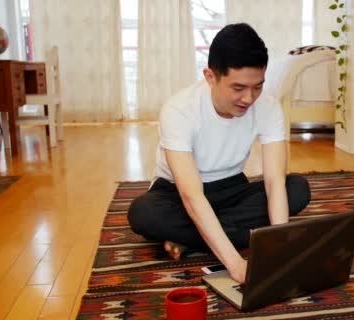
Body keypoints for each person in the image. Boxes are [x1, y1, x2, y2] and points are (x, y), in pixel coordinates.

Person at [127, 23, 311, 284]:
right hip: (177, 193)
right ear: (210, 77)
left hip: (232, 189)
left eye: (257, 86)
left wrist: (278, 245)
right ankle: (234, 236)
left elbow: (274, 182)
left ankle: (193, 240)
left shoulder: (268, 107)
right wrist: (235, 263)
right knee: (144, 213)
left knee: (297, 189)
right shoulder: (179, 109)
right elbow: (191, 196)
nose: (249, 98)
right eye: (238, 88)